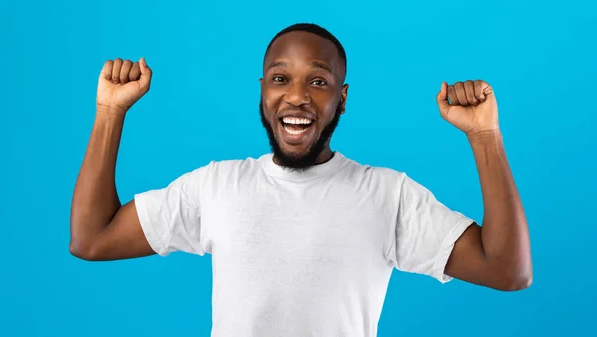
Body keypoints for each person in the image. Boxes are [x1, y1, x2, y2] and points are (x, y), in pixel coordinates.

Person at [69, 23, 532, 337]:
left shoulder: (386, 195)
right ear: (263, 90)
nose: (296, 97)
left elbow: (508, 270)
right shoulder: (216, 186)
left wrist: (485, 136)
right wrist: (110, 111)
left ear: (342, 99)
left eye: (318, 81)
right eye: (280, 78)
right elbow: (93, 239)